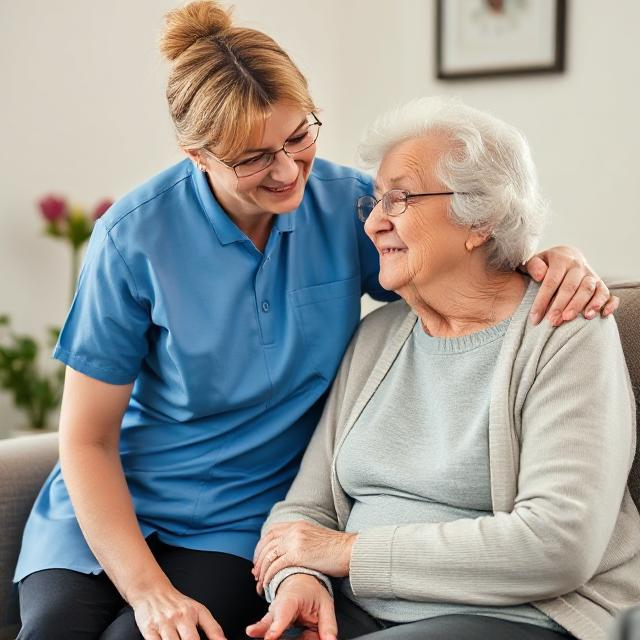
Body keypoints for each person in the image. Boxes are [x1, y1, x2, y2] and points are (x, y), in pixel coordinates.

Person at [13, 2, 618, 639]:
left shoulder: (346, 205)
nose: (286, 170)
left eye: (299, 137)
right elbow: (86, 438)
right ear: (197, 155)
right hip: (113, 504)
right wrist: (148, 591)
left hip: (237, 517)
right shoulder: (132, 239)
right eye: (252, 158)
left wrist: (552, 259)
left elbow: (459, 249)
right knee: (54, 630)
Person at [249, 98, 640, 640]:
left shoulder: (566, 330)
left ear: (480, 219)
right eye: (375, 201)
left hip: (519, 618)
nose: (375, 223)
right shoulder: (377, 336)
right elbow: (304, 509)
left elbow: (558, 544)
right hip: (361, 608)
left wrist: (345, 553)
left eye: (400, 198)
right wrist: (299, 577)